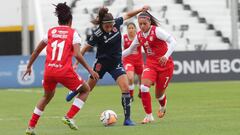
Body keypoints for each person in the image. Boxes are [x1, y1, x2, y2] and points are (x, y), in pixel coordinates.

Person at [23, 3, 99, 135]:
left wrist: (29, 66)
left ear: (58, 21)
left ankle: (31, 127)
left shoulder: (51, 31)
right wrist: (90, 70)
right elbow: (77, 54)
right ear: (70, 21)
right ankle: (69, 117)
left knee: (47, 96)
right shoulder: (73, 33)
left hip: (49, 71)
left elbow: (36, 51)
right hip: (64, 71)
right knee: (86, 89)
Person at [67, 6, 149, 126]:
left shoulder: (116, 23)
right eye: (107, 26)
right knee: (88, 89)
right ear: (101, 24)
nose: (110, 28)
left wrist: (140, 10)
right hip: (101, 64)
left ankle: (127, 119)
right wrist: (76, 64)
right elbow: (84, 49)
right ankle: (75, 92)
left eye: (111, 25)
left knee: (125, 88)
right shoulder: (97, 34)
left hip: (116, 63)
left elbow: (128, 15)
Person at [122, 11, 177, 124]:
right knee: (143, 87)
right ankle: (149, 116)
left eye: (144, 24)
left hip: (165, 66)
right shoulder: (139, 35)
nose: (142, 26)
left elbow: (173, 42)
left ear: (149, 22)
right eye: (140, 24)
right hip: (150, 65)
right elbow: (130, 50)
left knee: (159, 95)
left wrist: (166, 56)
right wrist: (116, 56)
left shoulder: (156, 31)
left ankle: (163, 106)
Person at [122, 22, 143, 101]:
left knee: (142, 79)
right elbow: (122, 50)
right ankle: (130, 96)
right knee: (130, 78)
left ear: (135, 29)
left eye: (132, 28)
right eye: (129, 28)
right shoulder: (124, 38)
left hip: (138, 61)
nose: (131, 30)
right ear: (127, 30)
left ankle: (141, 91)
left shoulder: (139, 37)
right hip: (128, 61)